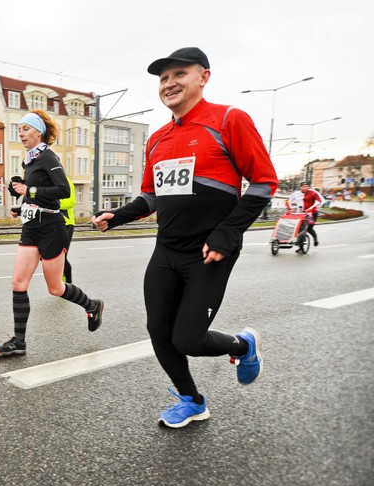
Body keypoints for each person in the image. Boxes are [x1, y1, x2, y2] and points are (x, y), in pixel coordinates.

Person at [92, 47, 276, 428]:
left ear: (203, 77)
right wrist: (119, 215)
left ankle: (243, 345)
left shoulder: (229, 119)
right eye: (163, 78)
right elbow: (151, 196)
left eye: (179, 74)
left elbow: (263, 184)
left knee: (188, 340)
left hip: (209, 251)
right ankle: (192, 400)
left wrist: (227, 234)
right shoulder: (157, 138)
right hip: (166, 250)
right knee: (158, 331)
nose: (169, 83)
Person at [0, 109, 104, 357]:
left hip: (51, 229)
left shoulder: (48, 157)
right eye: (19, 129)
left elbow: (63, 190)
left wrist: (28, 191)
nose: (20, 134)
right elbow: (38, 194)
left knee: (55, 288)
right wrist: (21, 204)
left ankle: (92, 305)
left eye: (25, 129)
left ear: (39, 132)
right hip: (31, 227)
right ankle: (19, 341)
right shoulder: (31, 160)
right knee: (18, 283)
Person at [286, 182, 323, 246]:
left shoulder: (313, 193)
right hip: (300, 213)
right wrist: (290, 209)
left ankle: (315, 239)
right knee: (300, 228)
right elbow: (288, 201)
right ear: (300, 187)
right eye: (303, 186)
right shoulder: (296, 194)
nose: (305, 188)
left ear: (309, 187)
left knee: (309, 228)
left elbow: (318, 202)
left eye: (307, 186)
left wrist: (310, 209)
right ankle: (301, 246)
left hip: (311, 214)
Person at [60, 175, 76, 283]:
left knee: (61, 256)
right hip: (52, 224)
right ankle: (60, 281)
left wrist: (52, 204)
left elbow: (71, 201)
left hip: (66, 223)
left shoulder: (65, 180)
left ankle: (68, 283)